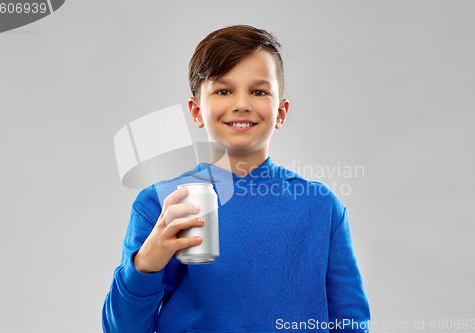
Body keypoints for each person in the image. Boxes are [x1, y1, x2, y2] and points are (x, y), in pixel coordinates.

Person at [102, 24, 370, 333]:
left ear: (281, 112)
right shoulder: (162, 204)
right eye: (223, 90)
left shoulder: (321, 208)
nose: (241, 103)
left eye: (258, 91)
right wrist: (146, 261)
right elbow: (122, 328)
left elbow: (350, 322)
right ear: (196, 110)